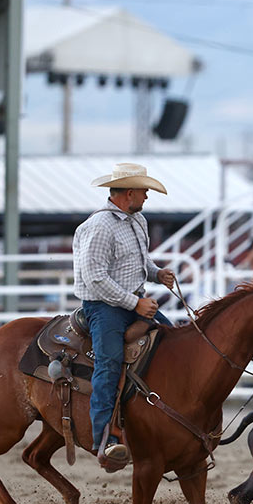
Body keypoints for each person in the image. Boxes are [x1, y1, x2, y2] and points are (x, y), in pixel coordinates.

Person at [73, 163, 175, 471]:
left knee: (175, 345)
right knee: (109, 362)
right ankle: (104, 438)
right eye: (144, 191)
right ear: (129, 193)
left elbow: (138, 258)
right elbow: (95, 278)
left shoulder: (136, 220)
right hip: (104, 307)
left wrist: (157, 273)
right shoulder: (100, 226)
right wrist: (134, 304)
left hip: (132, 302)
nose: (147, 196)